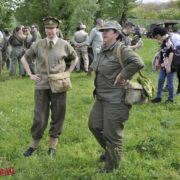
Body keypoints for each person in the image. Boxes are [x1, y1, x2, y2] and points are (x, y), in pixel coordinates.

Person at [88, 21, 144, 173]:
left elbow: (138, 62)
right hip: (101, 97)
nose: (103, 32)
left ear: (116, 34)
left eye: (107, 30)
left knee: (112, 134)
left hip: (116, 98)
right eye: (102, 30)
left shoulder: (122, 49)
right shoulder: (103, 50)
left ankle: (111, 168)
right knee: (94, 125)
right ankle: (110, 151)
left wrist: (123, 74)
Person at [21, 16, 78, 157]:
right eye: (47, 28)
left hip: (59, 85)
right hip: (42, 85)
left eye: (52, 28)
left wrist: (68, 73)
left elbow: (75, 57)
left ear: (57, 29)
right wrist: (30, 74)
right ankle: (33, 144)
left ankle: (52, 146)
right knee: (39, 117)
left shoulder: (64, 44)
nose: (50, 31)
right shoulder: (38, 44)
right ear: (44, 29)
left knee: (58, 114)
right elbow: (24, 58)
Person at [151, 27, 175, 103]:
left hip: (169, 66)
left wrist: (168, 67)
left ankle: (170, 99)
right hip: (163, 66)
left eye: (156, 36)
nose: (156, 38)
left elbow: (171, 54)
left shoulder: (169, 41)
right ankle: (158, 97)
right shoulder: (163, 41)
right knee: (160, 80)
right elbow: (162, 53)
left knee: (170, 82)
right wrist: (158, 63)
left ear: (159, 34)